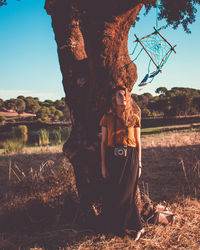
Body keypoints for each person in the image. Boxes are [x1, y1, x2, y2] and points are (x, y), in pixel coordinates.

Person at [99, 86, 144, 240]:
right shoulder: (107, 117)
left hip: (130, 157)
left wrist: (139, 163)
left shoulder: (134, 118)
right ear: (114, 99)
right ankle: (118, 229)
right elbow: (103, 143)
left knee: (128, 195)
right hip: (112, 157)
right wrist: (103, 166)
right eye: (119, 95)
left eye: (125, 95)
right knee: (113, 194)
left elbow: (138, 142)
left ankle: (131, 228)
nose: (123, 97)